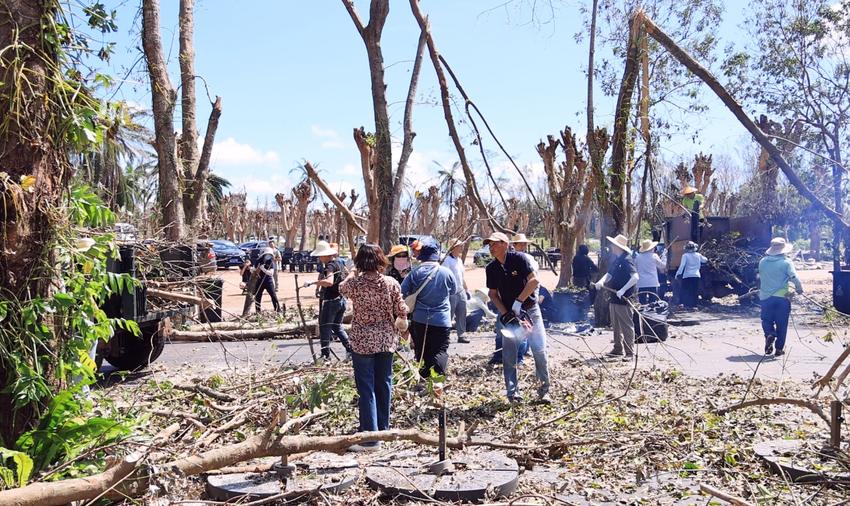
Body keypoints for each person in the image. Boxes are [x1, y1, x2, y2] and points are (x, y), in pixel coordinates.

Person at [338, 244, 407, 451]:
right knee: (384, 384)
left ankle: (370, 438)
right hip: (386, 340)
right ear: (380, 261)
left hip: (362, 341)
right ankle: (383, 431)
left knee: (366, 388)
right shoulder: (391, 283)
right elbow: (401, 308)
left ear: (360, 262)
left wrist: (351, 271)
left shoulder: (355, 284)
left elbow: (342, 287)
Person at [485, 232, 550, 403]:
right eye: (489, 245)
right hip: (509, 315)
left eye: (495, 244)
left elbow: (534, 281)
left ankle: (544, 391)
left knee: (539, 349)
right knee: (509, 354)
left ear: (506, 244)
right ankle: (513, 393)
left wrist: (519, 302)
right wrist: (506, 313)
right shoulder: (491, 268)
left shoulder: (519, 259)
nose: (491, 248)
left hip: (530, 310)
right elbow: (492, 293)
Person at [400, 237, 456, 379]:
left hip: (420, 319)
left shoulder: (415, 273)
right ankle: (437, 380)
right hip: (442, 320)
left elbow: (402, 292)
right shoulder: (447, 272)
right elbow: (454, 291)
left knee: (422, 350)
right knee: (440, 350)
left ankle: (424, 380)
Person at [594, 234, 639, 361]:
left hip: (625, 298)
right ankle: (617, 348)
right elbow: (609, 274)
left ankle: (629, 353)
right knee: (616, 325)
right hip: (614, 297)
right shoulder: (617, 259)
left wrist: (623, 290)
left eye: (613, 245)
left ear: (618, 247)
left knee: (626, 325)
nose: (611, 247)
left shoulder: (627, 259)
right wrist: (601, 282)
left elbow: (635, 277)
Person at [758, 237, 803, 357]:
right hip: (782, 297)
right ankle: (778, 349)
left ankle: (769, 334)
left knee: (766, 320)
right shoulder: (786, 262)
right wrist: (799, 288)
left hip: (765, 297)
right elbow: (794, 277)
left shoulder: (762, 261)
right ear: (784, 250)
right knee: (782, 324)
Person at [309, 240, 353, 360]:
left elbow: (329, 282)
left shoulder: (330, 266)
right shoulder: (339, 263)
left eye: (320, 256)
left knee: (325, 327)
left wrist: (313, 283)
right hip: (341, 300)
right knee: (337, 326)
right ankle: (350, 349)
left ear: (324, 255)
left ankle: (325, 355)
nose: (319, 258)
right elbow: (349, 274)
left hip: (331, 301)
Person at [442, 238, 470, 344]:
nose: (461, 248)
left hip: (461, 290)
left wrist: (466, 288)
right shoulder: (446, 260)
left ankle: (461, 335)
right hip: (451, 291)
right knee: (449, 313)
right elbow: (446, 276)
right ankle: (445, 336)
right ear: (453, 247)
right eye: (459, 246)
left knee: (462, 313)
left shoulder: (459, 260)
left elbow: (461, 276)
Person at [675, 241, 707, 309]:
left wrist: (678, 274)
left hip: (687, 275)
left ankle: (683, 304)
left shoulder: (685, 255)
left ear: (686, 248)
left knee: (685, 290)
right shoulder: (698, 255)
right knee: (694, 291)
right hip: (696, 275)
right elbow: (705, 260)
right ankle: (693, 306)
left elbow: (682, 266)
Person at [635, 239, 666, 304]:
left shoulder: (638, 257)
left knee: (642, 303)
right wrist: (664, 256)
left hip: (641, 283)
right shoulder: (654, 256)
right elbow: (662, 266)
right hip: (652, 282)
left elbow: (635, 269)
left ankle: (642, 314)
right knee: (653, 303)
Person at [254, 247, 281, 313]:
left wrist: (263, 269)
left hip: (268, 281)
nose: (268, 256)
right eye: (267, 254)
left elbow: (271, 273)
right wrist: (256, 270)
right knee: (257, 296)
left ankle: (278, 310)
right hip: (260, 281)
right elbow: (254, 269)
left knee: (273, 295)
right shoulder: (258, 260)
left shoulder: (271, 261)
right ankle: (258, 311)